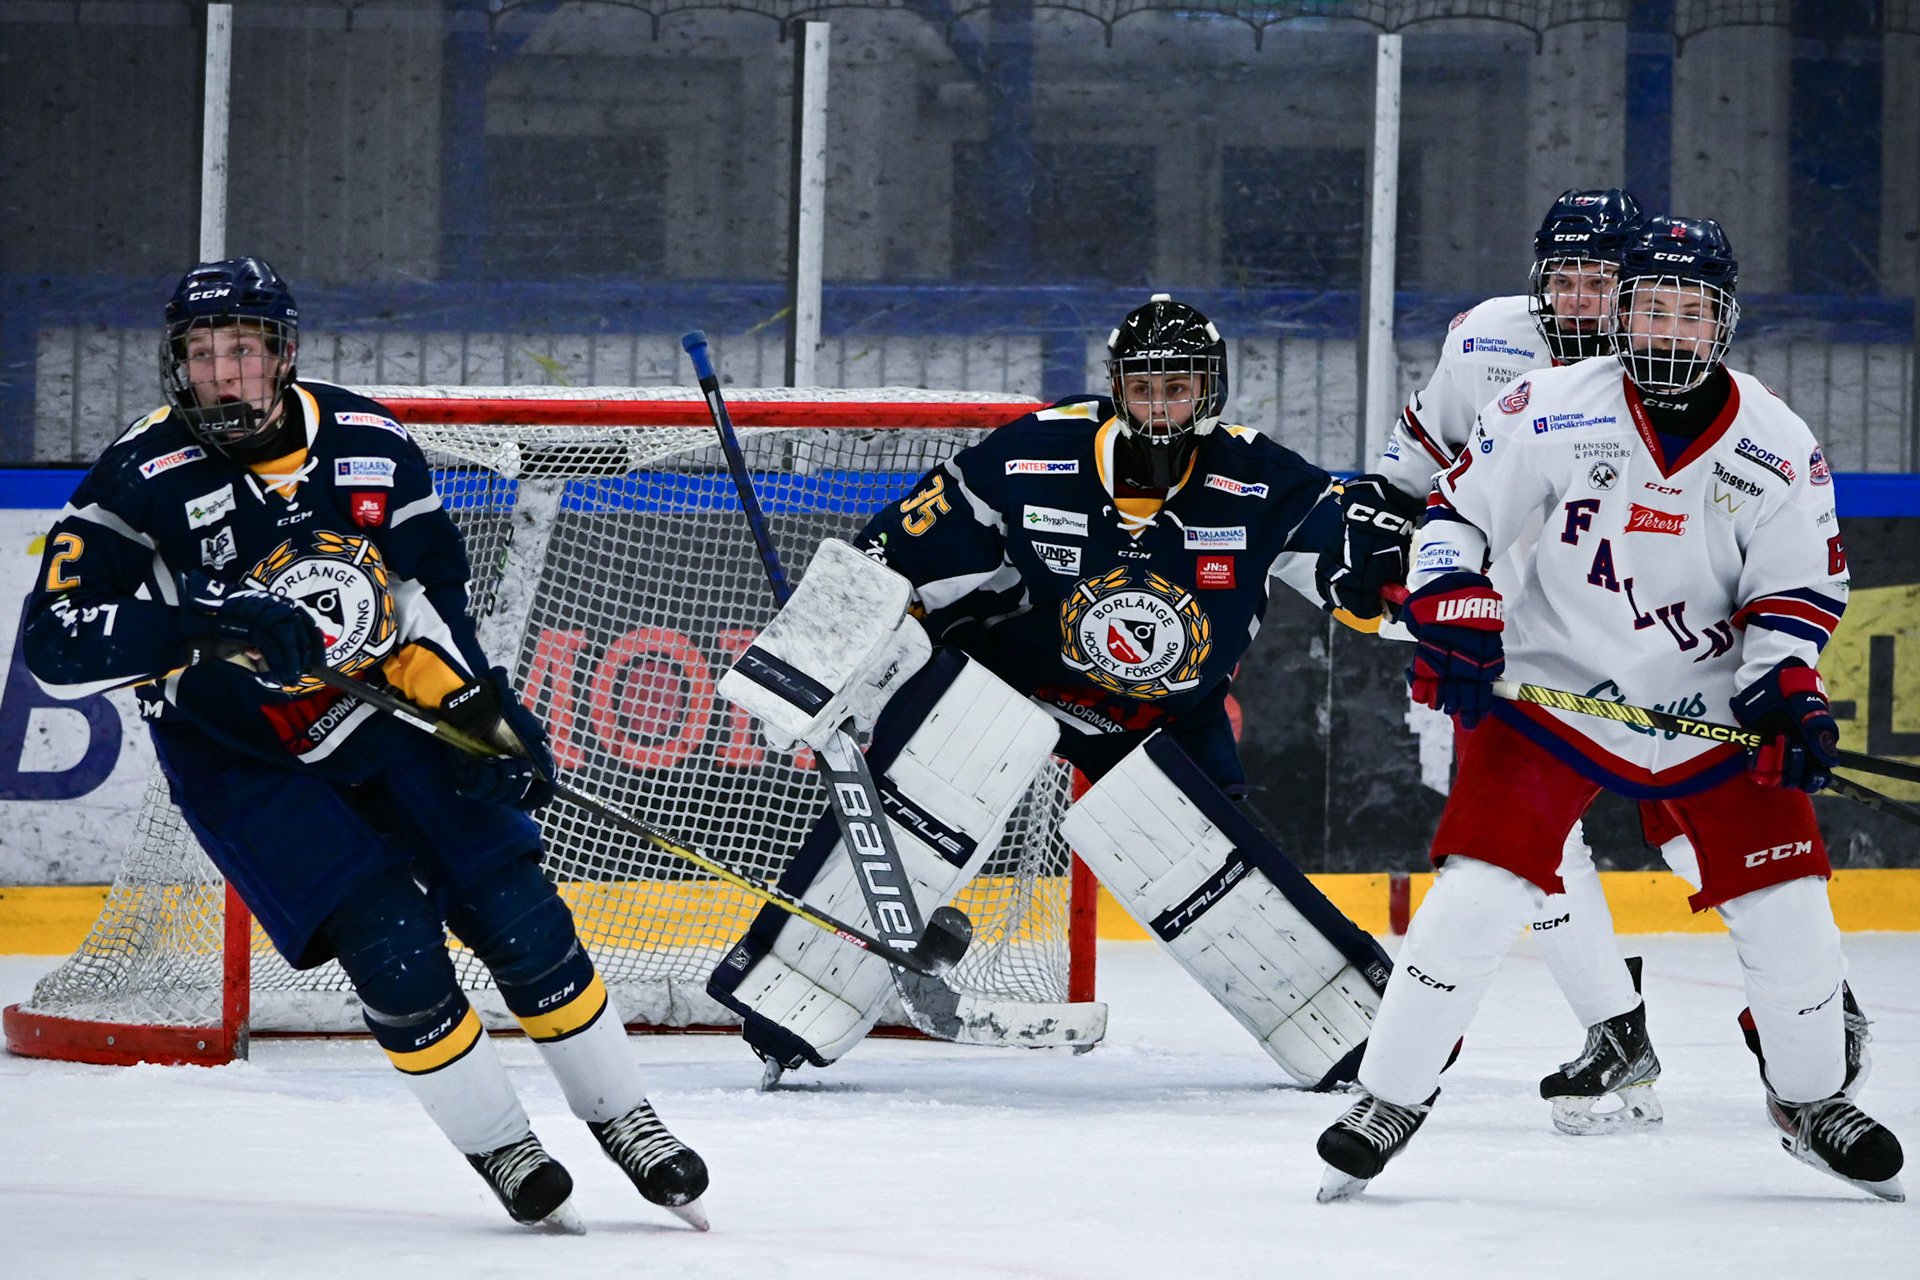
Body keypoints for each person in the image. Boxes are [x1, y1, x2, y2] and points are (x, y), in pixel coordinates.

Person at [22, 259, 709, 1232]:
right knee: (391, 945)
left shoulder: (370, 441)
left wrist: (482, 713)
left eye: (242, 349)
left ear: (283, 354)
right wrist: (207, 625)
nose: (222, 373)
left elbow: (433, 596)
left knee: (520, 912)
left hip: (388, 711)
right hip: (241, 757)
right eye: (202, 353)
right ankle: (505, 1147)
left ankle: (626, 1118)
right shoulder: (141, 473)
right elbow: (54, 640)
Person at [1315, 219, 1904, 1202]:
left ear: (1724, 322)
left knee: (1791, 909)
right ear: (1622, 316)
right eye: (1652, 308)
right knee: (1476, 895)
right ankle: (1390, 1098)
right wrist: (1453, 598)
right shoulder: (1545, 405)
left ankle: (1811, 1102)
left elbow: (1797, 588)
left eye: (1690, 312)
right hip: (1554, 694)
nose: (1669, 330)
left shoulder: (1775, 438)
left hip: (1707, 707)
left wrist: (1785, 684)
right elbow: (1456, 516)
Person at [708, 295, 1422, 1086]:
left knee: (1214, 872)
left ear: (1208, 391)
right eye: (1144, 388)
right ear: (1118, 387)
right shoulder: (1035, 454)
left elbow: (1358, 578)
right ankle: (791, 1001)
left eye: (1177, 388)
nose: (1159, 407)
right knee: (928, 795)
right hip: (1012, 680)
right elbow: (892, 557)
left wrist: (1420, 600)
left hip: (1161, 716)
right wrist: (813, 660)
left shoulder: (1261, 478)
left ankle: (1352, 1038)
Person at [1377, 188, 1671, 1132]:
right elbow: (1413, 468)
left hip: (1645, 631)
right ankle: (1617, 1031)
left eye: (1601, 282)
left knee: (1692, 818)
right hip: (1511, 643)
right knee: (1533, 840)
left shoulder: (1671, 359)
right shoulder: (1485, 341)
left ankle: (1820, 1006)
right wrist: (1391, 554)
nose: (1580, 300)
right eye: (1564, 280)